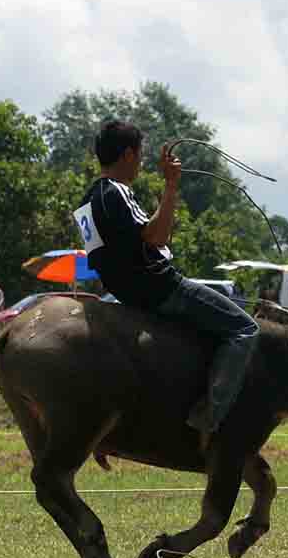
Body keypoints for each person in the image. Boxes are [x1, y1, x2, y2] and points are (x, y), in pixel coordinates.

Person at [73, 120, 259, 441]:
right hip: (162, 288)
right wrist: (171, 185)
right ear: (128, 155)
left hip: (125, 294)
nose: (142, 162)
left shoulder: (86, 202)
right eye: (140, 154)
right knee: (245, 329)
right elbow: (157, 236)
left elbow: (108, 255)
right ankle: (211, 418)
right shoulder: (117, 191)